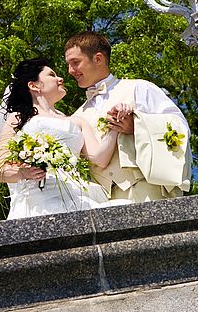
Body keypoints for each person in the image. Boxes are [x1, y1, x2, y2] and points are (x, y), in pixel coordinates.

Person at [0, 57, 133, 219]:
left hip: (77, 193)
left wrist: (115, 123)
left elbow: (99, 158)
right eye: (52, 75)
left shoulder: (78, 122)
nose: (60, 78)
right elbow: (1, 171)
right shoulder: (17, 119)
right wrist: (24, 172)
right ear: (34, 85)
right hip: (40, 199)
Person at [64, 31, 191, 203]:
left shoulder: (140, 88)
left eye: (75, 63)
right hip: (102, 202)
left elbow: (179, 127)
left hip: (148, 190)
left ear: (98, 58)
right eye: (68, 65)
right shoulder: (78, 115)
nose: (70, 71)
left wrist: (136, 126)